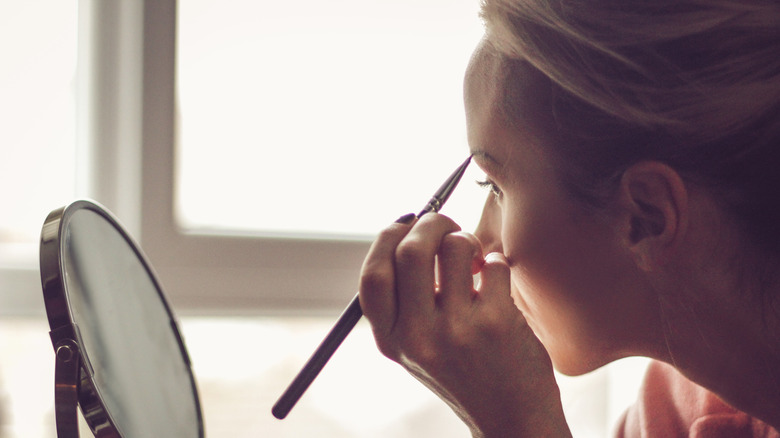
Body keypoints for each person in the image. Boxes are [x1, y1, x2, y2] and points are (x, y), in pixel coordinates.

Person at [357, 0, 780, 436]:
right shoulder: (676, 414)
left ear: (646, 217)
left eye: (496, 188)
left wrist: (515, 424)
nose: (480, 242)